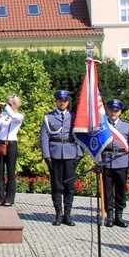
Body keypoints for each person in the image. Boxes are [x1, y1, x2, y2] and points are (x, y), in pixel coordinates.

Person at [40, 90, 83, 226]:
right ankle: (58, 214)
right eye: (60, 100)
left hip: (70, 153)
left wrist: (79, 153)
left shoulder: (74, 117)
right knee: (57, 186)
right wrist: (47, 155)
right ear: (56, 102)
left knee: (69, 186)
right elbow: (44, 137)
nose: (62, 103)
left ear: (68, 102)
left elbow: (80, 136)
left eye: (64, 101)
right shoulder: (49, 118)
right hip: (55, 154)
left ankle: (68, 215)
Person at [101, 99, 129, 228]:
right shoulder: (103, 125)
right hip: (107, 160)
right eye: (111, 110)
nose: (113, 113)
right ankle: (109, 215)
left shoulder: (126, 126)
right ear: (108, 111)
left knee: (121, 190)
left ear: (120, 112)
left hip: (122, 161)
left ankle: (119, 216)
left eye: (116, 111)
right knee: (108, 190)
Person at [0, 94, 24, 207]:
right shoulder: (5, 114)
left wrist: (6, 106)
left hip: (11, 143)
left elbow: (14, 117)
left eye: (10, 104)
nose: (8, 106)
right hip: (0, 142)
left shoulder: (19, 116)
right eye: (7, 103)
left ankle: (9, 198)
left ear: (15, 105)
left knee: (10, 172)